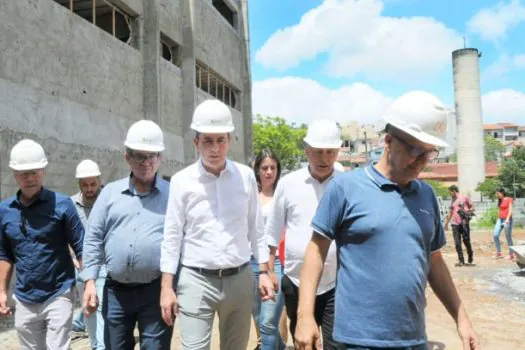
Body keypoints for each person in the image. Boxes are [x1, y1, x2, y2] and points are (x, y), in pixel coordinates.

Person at [295, 91, 479, 350]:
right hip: (357, 341)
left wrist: (462, 319)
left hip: (413, 340)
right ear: (389, 141)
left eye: (429, 153)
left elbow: (434, 261)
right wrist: (305, 317)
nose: (421, 161)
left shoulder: (426, 196)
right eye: (415, 149)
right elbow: (316, 251)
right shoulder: (346, 188)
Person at [159, 99, 274, 350]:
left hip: (240, 279)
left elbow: (256, 228)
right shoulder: (181, 181)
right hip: (196, 280)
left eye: (220, 140)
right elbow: (172, 236)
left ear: (230, 140)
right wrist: (167, 288)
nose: (215, 148)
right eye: (207, 140)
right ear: (196, 142)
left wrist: (264, 272)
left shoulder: (245, 177)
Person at [82, 120, 172, 349]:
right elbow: (93, 238)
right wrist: (90, 282)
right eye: (139, 156)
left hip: (155, 291)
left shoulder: (172, 196)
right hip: (116, 293)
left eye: (152, 156)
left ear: (160, 158)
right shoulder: (109, 194)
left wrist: (170, 288)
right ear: (127, 157)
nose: (146, 162)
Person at [265, 119, 343, 349]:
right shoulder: (289, 184)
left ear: (338, 151)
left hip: (336, 283)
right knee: (303, 341)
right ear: (306, 149)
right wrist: (269, 271)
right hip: (295, 281)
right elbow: (273, 230)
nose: (324, 158)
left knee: (337, 344)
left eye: (330, 152)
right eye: (318, 152)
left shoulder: (346, 183)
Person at [0, 139, 84, 349]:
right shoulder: (4, 211)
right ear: (15, 175)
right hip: (24, 297)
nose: (30, 178)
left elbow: (81, 247)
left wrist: (90, 285)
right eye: (24, 173)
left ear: (43, 171)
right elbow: (4, 254)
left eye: (35, 172)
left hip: (59, 292)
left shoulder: (63, 205)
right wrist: (1, 291)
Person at [251, 149, 287, 350]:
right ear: (257, 170)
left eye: (273, 167)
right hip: (250, 262)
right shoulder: (250, 196)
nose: (269, 172)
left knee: (268, 321)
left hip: (277, 263)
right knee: (259, 320)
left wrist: (272, 268)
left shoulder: (283, 195)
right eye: (264, 167)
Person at [71, 159, 106, 350]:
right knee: (89, 309)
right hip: (81, 268)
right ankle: (95, 344)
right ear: (79, 184)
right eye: (85, 184)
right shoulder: (70, 205)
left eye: (93, 184)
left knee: (102, 308)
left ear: (99, 181)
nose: (89, 188)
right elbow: (66, 235)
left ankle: (101, 346)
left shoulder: (108, 200)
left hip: (104, 266)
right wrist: (73, 256)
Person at [444, 185, 475, 266]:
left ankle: (470, 255)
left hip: (464, 222)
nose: (450, 194)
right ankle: (461, 260)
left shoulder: (464, 198)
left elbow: (472, 207)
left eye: (450, 192)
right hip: (455, 224)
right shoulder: (452, 201)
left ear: (454, 191)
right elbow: (450, 213)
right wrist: (446, 224)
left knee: (466, 240)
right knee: (457, 243)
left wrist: (468, 211)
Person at [493, 188, 514, 260]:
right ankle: (499, 253)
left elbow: (510, 210)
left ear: (502, 193)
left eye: (498, 193)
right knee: (495, 235)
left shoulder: (509, 199)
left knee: (508, 237)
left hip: (507, 220)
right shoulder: (500, 201)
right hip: (500, 219)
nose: (497, 195)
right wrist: (498, 218)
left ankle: (511, 254)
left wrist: (507, 219)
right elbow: (500, 210)